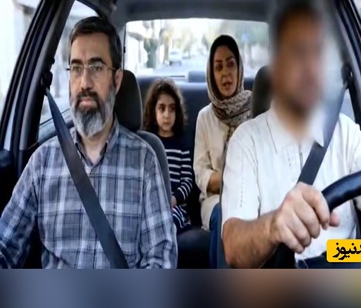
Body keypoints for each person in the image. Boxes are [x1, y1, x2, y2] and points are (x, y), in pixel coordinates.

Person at [221, 0, 361, 269]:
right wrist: (273, 226)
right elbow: (234, 247)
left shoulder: (345, 132)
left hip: (347, 262)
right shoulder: (246, 142)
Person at [0, 16, 177, 269]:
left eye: (96, 68)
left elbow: (162, 259)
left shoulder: (144, 162)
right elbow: (5, 246)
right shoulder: (42, 163)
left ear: (117, 80)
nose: (84, 83)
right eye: (76, 68)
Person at [194, 35, 252, 268]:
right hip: (215, 200)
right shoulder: (204, 117)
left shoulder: (256, 110)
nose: (225, 73)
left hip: (252, 196)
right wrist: (231, 180)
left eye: (230, 64)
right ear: (211, 74)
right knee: (225, 214)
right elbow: (200, 172)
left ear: (239, 68)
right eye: (218, 67)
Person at [143, 78, 194, 235]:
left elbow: (187, 181)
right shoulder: (148, 143)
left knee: (167, 222)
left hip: (175, 206)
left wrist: (174, 199)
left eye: (172, 109)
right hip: (151, 204)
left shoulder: (182, 144)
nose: (167, 115)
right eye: (162, 108)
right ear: (153, 111)